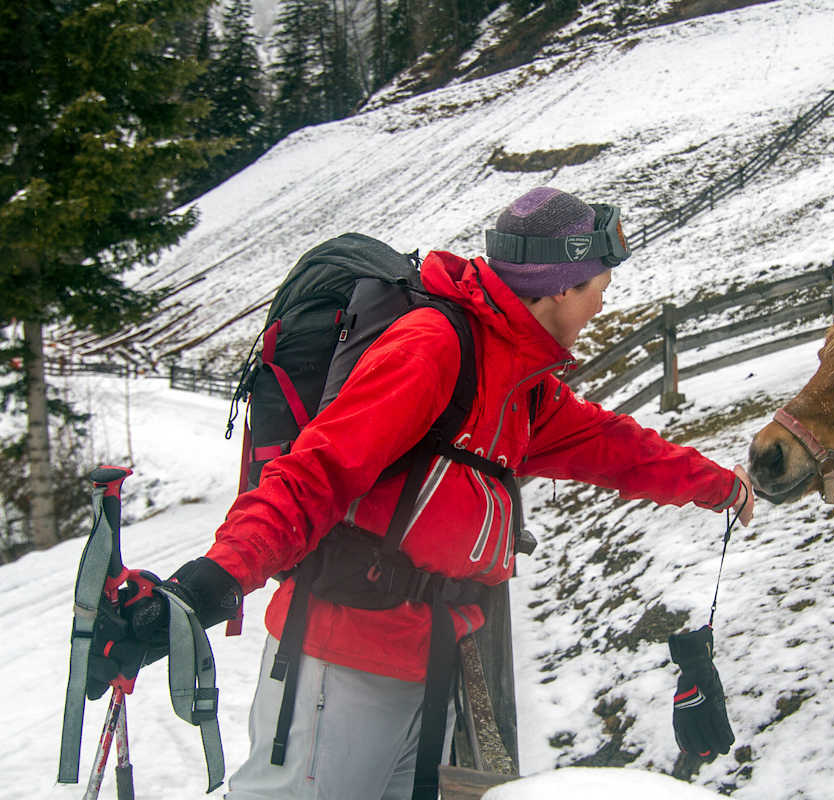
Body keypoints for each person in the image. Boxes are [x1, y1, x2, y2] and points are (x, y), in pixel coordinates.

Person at [92, 186, 754, 799]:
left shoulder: (519, 383)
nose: (604, 303)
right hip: (339, 662)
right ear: (560, 287)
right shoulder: (435, 348)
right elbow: (313, 475)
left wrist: (718, 485)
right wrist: (211, 582)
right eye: (599, 287)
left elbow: (614, 447)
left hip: (426, 664)